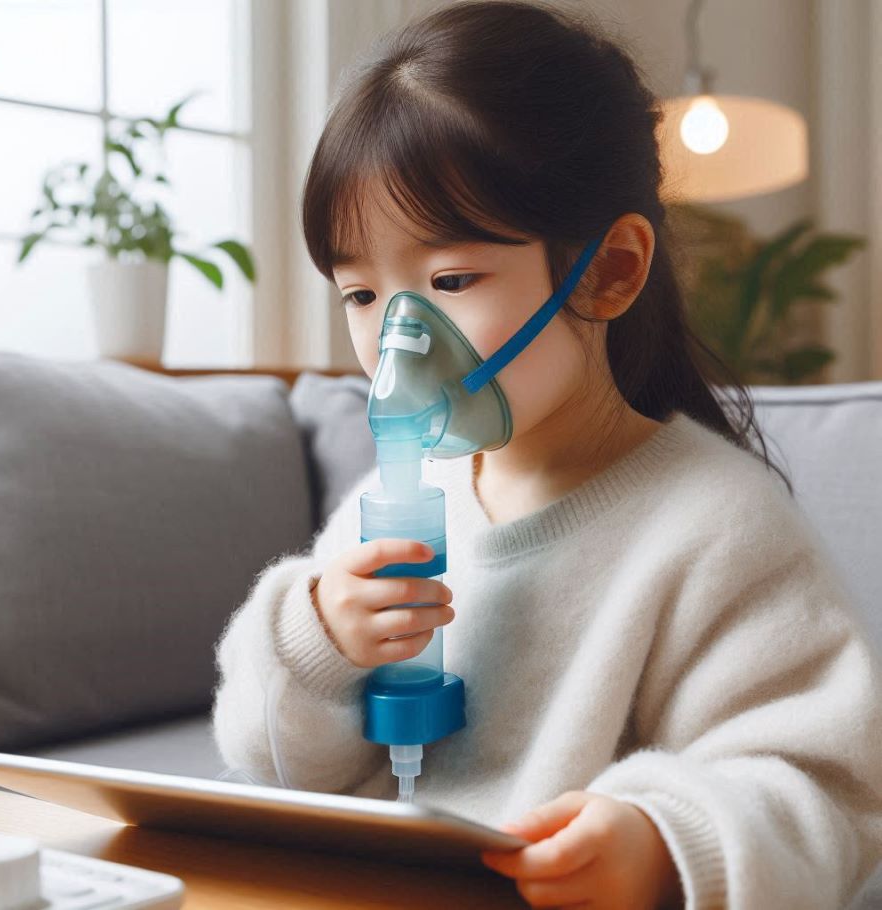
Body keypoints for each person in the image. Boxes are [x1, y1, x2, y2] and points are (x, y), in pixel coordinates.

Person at [211, 2, 882, 906]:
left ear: (608, 272)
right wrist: (318, 643)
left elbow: (828, 795)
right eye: (362, 294)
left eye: (450, 280)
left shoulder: (715, 527)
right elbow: (274, 765)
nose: (400, 339)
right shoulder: (397, 501)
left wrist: (661, 844)